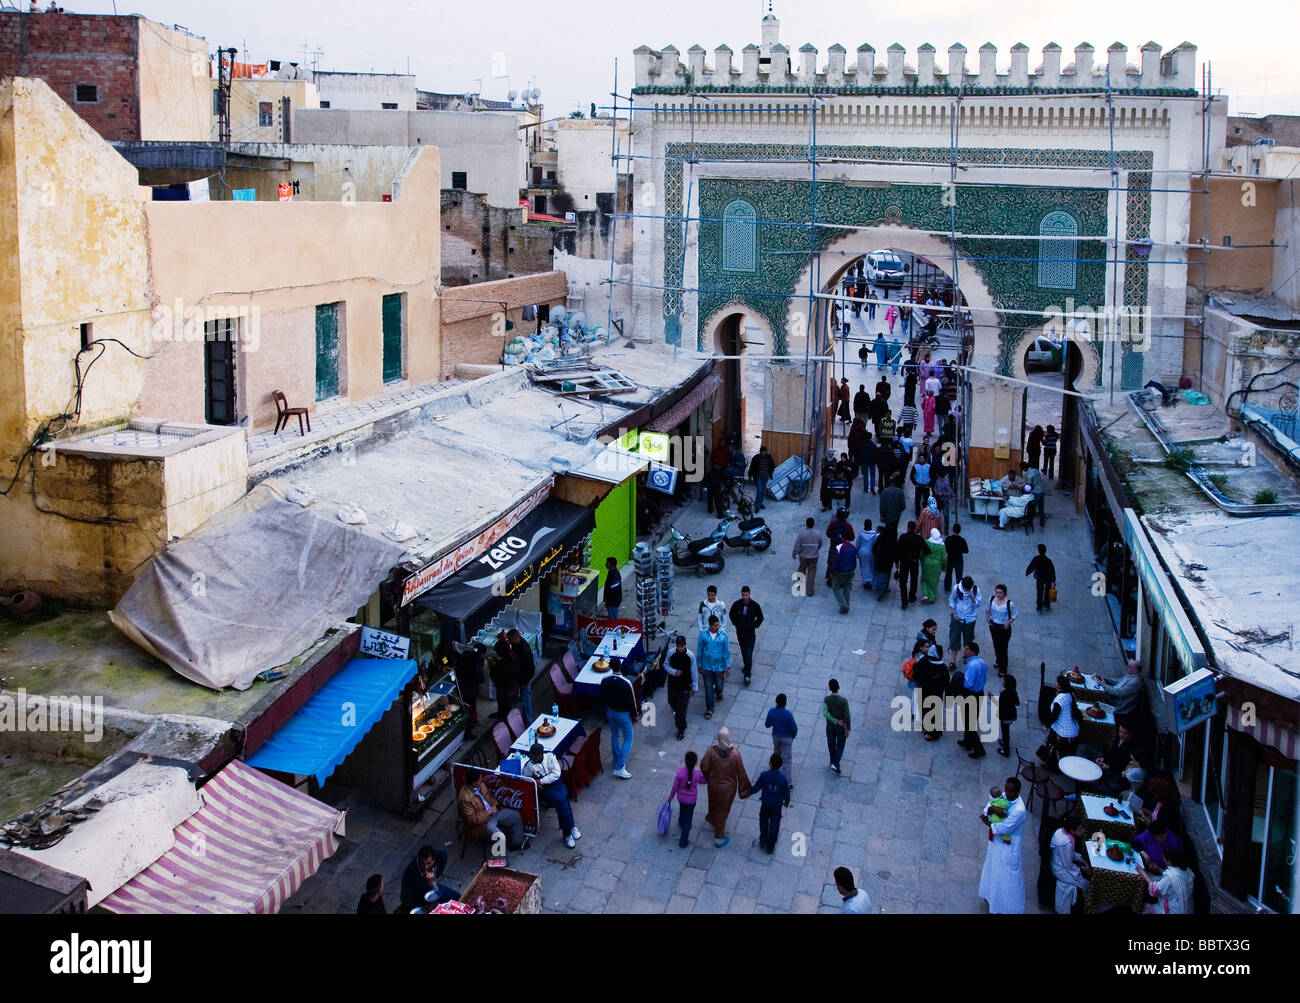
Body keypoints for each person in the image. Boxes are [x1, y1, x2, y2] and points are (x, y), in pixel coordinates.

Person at [978, 777, 1027, 914]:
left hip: (1009, 847)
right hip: (997, 843)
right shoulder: (1005, 796)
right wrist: (992, 808)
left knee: (1007, 878)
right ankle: (990, 897)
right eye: (1006, 790)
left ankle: (1005, 908)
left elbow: (1005, 828)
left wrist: (987, 822)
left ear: (1017, 792)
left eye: (1010, 791)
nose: (1006, 793)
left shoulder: (1019, 810)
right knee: (992, 869)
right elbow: (990, 804)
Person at [699, 727, 751, 848]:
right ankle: (719, 837)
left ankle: (712, 818)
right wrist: (745, 790)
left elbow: (704, 766)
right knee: (723, 812)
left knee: (713, 803)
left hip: (713, 785)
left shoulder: (711, 751)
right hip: (728, 790)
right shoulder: (735, 755)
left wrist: (708, 777)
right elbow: (741, 773)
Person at [522, 742, 581, 847]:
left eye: (535, 756)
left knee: (563, 799)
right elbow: (525, 779)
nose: (533, 759)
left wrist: (540, 781)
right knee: (561, 799)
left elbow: (556, 774)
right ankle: (569, 831)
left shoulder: (550, 757)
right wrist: (535, 782)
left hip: (556, 783)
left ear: (541, 754)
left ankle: (569, 829)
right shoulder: (529, 766)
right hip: (545, 790)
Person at [457, 770, 526, 852]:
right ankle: (500, 858)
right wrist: (488, 812)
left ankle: (517, 844)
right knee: (500, 836)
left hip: (493, 812)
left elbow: (490, 797)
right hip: (482, 824)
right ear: (474, 783)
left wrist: (495, 805)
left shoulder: (481, 785)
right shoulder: (464, 798)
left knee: (515, 816)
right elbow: (472, 819)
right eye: (480, 779)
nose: (482, 780)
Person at [744, 753, 792, 854]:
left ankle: (763, 839)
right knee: (775, 825)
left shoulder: (764, 775)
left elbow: (757, 787)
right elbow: (786, 793)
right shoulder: (783, 779)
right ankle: (771, 845)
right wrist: (787, 802)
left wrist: (749, 793)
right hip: (776, 806)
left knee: (764, 822)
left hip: (766, 804)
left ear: (770, 763)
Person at [599, 658, 639, 779]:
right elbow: (632, 702)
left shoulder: (605, 681)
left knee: (614, 735)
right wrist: (635, 715)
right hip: (623, 714)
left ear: (610, 666)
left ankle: (616, 758)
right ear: (620, 666)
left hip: (611, 711)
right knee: (628, 739)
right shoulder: (626, 683)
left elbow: (602, 697)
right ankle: (619, 766)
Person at [1050, 814, 1092, 914]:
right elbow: (1067, 865)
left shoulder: (1061, 831)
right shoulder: (1067, 843)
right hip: (1060, 869)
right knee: (1086, 883)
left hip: (1059, 862)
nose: (1083, 831)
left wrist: (1081, 860)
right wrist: (1082, 868)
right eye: (1080, 829)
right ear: (1072, 831)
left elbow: (1070, 855)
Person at [399, 845, 461, 912]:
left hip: (429, 886)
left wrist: (436, 874)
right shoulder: (412, 875)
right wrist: (430, 881)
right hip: (413, 899)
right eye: (422, 864)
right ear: (419, 858)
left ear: (433, 859)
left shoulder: (438, 855)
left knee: (457, 896)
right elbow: (425, 894)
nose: (425, 867)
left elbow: (443, 855)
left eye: (428, 863)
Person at [1138, 846, 1193, 914]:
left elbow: (1154, 891)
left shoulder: (1169, 877)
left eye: (1164, 858)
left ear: (1169, 861)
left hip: (1173, 910)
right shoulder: (1188, 871)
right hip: (1187, 907)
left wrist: (1143, 873)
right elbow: (1175, 879)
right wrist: (1160, 870)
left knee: (1144, 908)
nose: (1163, 860)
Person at [728, 585, 764, 686]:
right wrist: (736, 624)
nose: (745, 597)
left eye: (746, 595)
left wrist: (754, 625)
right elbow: (731, 614)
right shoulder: (737, 604)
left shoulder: (754, 606)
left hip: (750, 634)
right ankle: (746, 666)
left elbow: (760, 617)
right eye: (743, 595)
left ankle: (747, 675)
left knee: (749, 653)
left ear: (749, 595)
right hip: (740, 633)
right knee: (744, 652)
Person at [696, 614, 731, 720]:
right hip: (707, 666)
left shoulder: (723, 636)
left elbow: (726, 651)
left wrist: (727, 666)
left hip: (719, 666)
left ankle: (719, 692)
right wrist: (699, 665)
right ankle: (710, 708)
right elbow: (700, 650)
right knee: (708, 687)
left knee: (719, 685)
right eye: (715, 625)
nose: (717, 627)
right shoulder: (703, 636)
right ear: (710, 625)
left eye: (718, 625)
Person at [669, 750, 705, 849]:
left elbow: (674, 787)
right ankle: (683, 841)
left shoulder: (680, 773)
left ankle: (681, 821)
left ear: (685, 761)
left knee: (682, 809)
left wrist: (671, 797)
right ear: (695, 762)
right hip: (691, 801)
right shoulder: (697, 774)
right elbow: (703, 781)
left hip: (681, 798)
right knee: (688, 820)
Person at [959, 642, 989, 758]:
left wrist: (961, 681)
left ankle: (979, 749)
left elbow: (968, 683)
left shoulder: (971, 665)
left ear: (973, 651)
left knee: (969, 723)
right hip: (979, 693)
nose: (964, 651)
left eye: (966, 649)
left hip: (971, 695)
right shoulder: (982, 662)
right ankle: (967, 741)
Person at [664, 635, 697, 740]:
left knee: (680, 710)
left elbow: (694, 672)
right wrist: (673, 672)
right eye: (678, 646)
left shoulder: (690, 656)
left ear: (685, 645)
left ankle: (681, 730)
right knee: (672, 702)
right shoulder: (671, 653)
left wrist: (694, 686)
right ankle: (681, 716)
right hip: (673, 685)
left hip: (685, 686)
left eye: (682, 646)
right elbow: (665, 665)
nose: (680, 648)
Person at [1042, 673, 1080, 765]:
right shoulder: (1070, 695)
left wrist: (1046, 725)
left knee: (1053, 745)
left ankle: (1052, 765)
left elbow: (1054, 716)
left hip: (1063, 731)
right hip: (1072, 729)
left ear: (1059, 685)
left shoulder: (1059, 700)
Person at [915, 643, 948, 740]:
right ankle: (933, 732)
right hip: (936, 693)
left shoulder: (923, 661)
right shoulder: (942, 667)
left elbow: (916, 674)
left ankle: (928, 730)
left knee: (925, 709)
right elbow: (946, 681)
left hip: (924, 691)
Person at [764, 693, 798, 789]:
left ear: (776, 702)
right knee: (787, 760)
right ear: (785, 703)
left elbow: (767, 724)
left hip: (776, 736)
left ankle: (772, 775)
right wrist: (792, 737)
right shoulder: (788, 714)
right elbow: (794, 729)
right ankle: (786, 782)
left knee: (776, 754)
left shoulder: (772, 712)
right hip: (787, 738)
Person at [503, 629, 536, 723]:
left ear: (515, 638)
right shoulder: (517, 645)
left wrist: (522, 682)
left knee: (525, 699)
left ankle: (528, 721)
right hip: (521, 677)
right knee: (524, 698)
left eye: (510, 640)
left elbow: (527, 668)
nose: (508, 642)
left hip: (524, 678)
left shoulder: (524, 650)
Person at [947, 576, 981, 665]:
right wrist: (954, 614)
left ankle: (967, 656)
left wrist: (972, 597)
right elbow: (952, 600)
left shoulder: (976, 590)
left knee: (968, 640)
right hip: (957, 618)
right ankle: (952, 661)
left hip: (970, 619)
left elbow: (977, 604)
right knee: (954, 638)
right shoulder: (956, 588)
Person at [986, 584, 1018, 675]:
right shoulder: (992, 599)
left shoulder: (1009, 603)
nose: (998, 594)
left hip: (1004, 627)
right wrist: (988, 620)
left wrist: (1008, 622)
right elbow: (987, 609)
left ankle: (1003, 668)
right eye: (997, 592)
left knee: (1003, 647)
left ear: (1004, 593)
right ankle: (998, 660)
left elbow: (1015, 615)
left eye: (1000, 593)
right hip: (994, 625)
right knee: (996, 645)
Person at [823, 678, 851, 774]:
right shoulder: (843, 701)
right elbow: (847, 715)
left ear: (830, 688)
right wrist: (847, 728)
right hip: (840, 726)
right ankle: (835, 763)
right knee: (840, 746)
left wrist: (834, 721)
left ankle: (833, 762)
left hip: (830, 726)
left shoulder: (826, 699)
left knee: (831, 744)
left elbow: (825, 713)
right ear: (838, 687)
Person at [829, 532, 859, 614]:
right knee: (847, 588)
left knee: (835, 587)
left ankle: (844, 605)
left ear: (842, 538)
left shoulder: (839, 548)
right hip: (850, 571)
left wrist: (833, 571)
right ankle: (846, 605)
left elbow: (836, 561)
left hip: (841, 571)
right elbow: (854, 560)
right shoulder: (853, 547)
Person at [488, 639, 518, 720]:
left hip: (504, 692)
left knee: (505, 712)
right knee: (509, 708)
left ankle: (504, 725)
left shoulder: (500, 665)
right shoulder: (513, 657)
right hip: (514, 688)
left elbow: (493, 677)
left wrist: (492, 667)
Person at [792, 516, 822, 598]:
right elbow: (820, 544)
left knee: (801, 570)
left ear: (806, 524)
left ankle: (799, 585)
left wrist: (794, 553)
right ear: (813, 524)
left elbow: (797, 545)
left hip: (804, 556)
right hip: (814, 557)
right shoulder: (818, 534)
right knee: (811, 573)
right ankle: (810, 591)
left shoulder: (802, 534)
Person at [918, 527, 948, 604]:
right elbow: (944, 558)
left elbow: (922, 552)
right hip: (937, 567)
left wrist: (921, 559)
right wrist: (944, 568)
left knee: (925, 579)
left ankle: (925, 594)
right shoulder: (942, 546)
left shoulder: (927, 542)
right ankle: (931, 597)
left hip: (926, 564)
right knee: (934, 582)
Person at [1025, 543, 1057, 613]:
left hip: (1039, 578)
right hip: (1047, 579)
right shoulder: (1048, 560)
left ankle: (1039, 607)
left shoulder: (1036, 559)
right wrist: (1053, 580)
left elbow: (1031, 566)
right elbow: (1052, 570)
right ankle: (1046, 605)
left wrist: (1027, 572)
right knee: (1047, 591)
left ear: (1038, 551)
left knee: (1040, 592)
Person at [879, 473, 906, 541]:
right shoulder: (900, 492)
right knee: (894, 530)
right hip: (896, 516)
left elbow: (882, 505)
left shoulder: (885, 491)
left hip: (887, 516)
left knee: (888, 531)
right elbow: (903, 506)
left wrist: (882, 515)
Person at [996, 675, 1019, 757]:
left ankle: (1005, 751)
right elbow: (1017, 703)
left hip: (1005, 717)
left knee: (1005, 733)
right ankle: (1003, 741)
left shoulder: (1004, 694)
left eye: (1004, 681)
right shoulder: (1014, 692)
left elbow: (999, 704)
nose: (1002, 682)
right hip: (1012, 715)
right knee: (1006, 730)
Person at [748, 445, 776, 512]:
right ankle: (757, 506)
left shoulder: (768, 457)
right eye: (762, 452)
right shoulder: (756, 457)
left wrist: (770, 472)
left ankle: (760, 503)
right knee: (759, 491)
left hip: (765, 477)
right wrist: (750, 475)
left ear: (766, 452)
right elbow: (752, 467)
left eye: (764, 452)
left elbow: (773, 465)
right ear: (760, 452)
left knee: (763, 491)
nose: (763, 453)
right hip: (759, 477)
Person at [943, 523, 968, 593]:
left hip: (950, 559)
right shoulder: (962, 540)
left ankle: (947, 587)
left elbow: (945, 548)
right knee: (959, 576)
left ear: (953, 530)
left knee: (948, 574)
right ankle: (959, 589)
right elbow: (966, 550)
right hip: (959, 559)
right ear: (960, 531)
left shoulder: (948, 539)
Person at [855, 518, 878, 591]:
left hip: (862, 552)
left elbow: (858, 543)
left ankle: (865, 581)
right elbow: (875, 544)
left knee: (863, 567)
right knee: (870, 566)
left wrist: (856, 552)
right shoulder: (874, 534)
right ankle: (870, 581)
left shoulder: (861, 533)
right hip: (870, 553)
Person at [1021, 461, 1046, 528]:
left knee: (1031, 508)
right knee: (1041, 508)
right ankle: (1042, 523)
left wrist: (1023, 489)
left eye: (1023, 469)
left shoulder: (1029, 475)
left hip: (1036, 493)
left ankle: (1029, 523)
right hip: (1042, 491)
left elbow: (1029, 487)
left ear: (1024, 468)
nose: (1023, 471)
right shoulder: (1035, 470)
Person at [859, 430, 877, 495]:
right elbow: (875, 454)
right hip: (872, 462)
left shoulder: (862, 444)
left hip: (864, 461)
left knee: (865, 475)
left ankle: (865, 488)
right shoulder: (873, 445)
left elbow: (860, 453)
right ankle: (872, 487)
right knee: (872, 475)